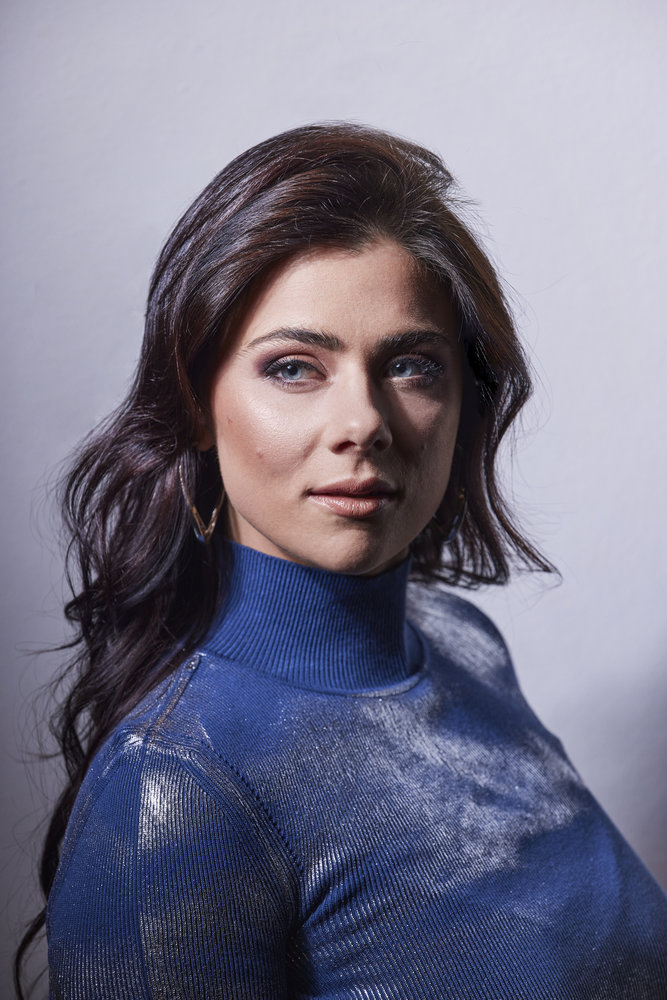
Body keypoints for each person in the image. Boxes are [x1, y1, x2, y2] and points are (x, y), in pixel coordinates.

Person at [16, 122, 667, 999]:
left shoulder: (461, 641)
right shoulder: (172, 787)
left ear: (463, 400)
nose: (361, 422)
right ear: (198, 405)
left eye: (410, 366)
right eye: (294, 368)